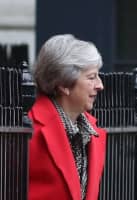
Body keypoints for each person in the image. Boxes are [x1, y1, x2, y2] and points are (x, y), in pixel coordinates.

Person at [28, 34, 107, 200]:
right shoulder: (28, 130)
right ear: (64, 84)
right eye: (91, 77)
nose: (100, 85)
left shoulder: (92, 132)